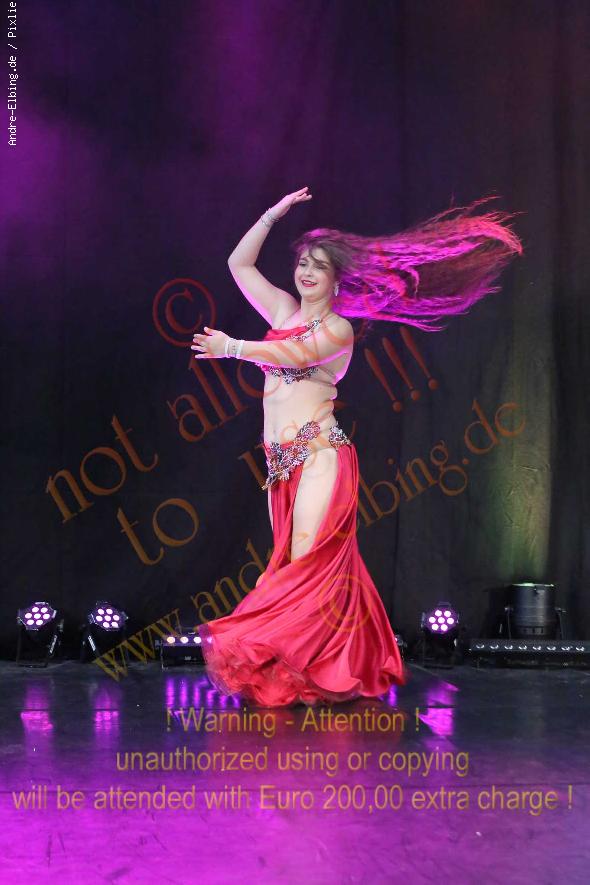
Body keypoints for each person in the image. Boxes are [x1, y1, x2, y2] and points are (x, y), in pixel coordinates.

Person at [192, 186, 523, 707]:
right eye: (303, 262)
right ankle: (333, 663)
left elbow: (295, 356)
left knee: (306, 563)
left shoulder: (338, 330)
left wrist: (231, 346)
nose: (306, 272)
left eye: (319, 267)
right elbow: (239, 264)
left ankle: (306, 668)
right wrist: (273, 214)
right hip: (280, 465)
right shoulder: (282, 309)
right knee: (295, 566)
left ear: (336, 279)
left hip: (321, 456)